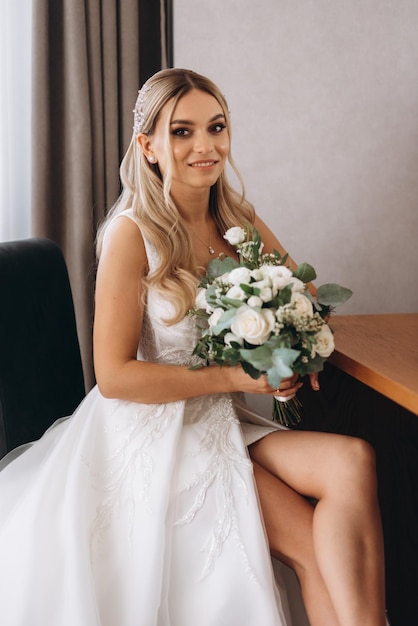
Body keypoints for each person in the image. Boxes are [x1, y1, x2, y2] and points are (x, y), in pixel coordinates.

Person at [0, 68, 388, 626]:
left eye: (217, 127)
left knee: (354, 459)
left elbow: (299, 303)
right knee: (309, 544)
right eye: (182, 131)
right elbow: (114, 376)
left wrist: (286, 359)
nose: (205, 146)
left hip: (222, 414)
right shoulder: (132, 233)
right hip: (152, 428)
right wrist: (235, 378)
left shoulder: (238, 220)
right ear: (148, 146)